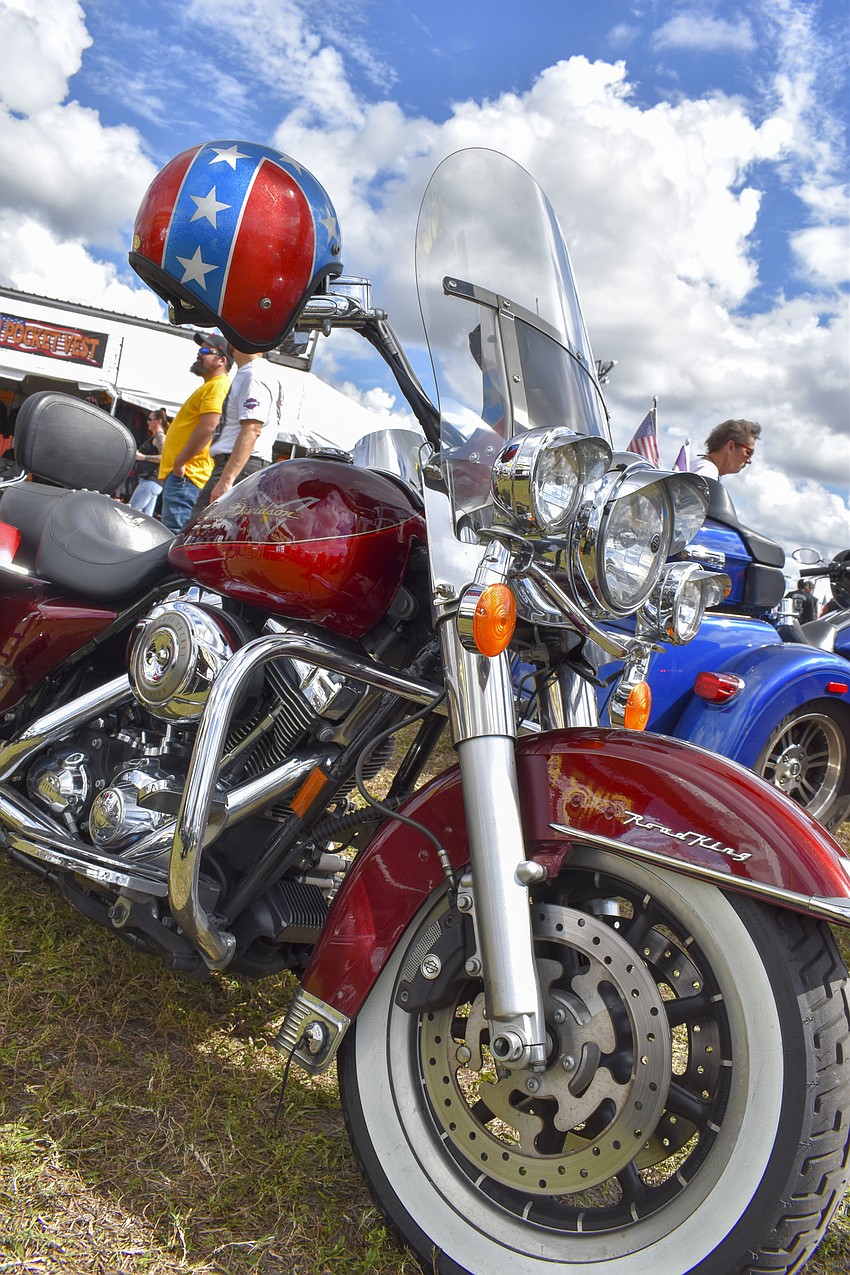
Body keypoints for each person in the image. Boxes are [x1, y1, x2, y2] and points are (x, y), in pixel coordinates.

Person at [191, 343, 283, 514]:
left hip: (241, 468)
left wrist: (227, 480)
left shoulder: (253, 375)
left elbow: (252, 428)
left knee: (196, 534)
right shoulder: (256, 372)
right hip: (247, 467)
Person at [158, 332, 232, 532]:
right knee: (173, 533)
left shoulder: (218, 386)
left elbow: (210, 426)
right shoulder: (211, 386)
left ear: (222, 360)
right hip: (186, 474)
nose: (200, 353)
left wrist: (180, 461)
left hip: (188, 474)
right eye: (200, 350)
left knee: (172, 535)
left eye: (206, 351)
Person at [691, 419, 761, 480]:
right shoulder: (707, 471)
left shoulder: (700, 469)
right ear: (730, 446)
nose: (749, 460)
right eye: (748, 452)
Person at [129, 408, 168, 515]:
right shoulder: (155, 437)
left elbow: (164, 458)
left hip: (151, 481)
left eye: (150, 419)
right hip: (149, 481)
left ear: (159, 421)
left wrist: (142, 457)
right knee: (144, 518)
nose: (147, 422)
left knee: (130, 513)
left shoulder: (160, 437)